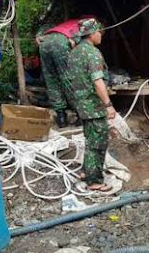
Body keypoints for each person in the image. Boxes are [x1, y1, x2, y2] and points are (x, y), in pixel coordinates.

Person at [65, 18, 116, 191]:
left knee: (90, 138)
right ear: (92, 34)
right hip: (93, 106)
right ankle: (95, 181)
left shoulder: (75, 52)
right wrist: (108, 104)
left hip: (80, 103)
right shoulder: (92, 53)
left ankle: (86, 171)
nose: (100, 35)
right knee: (98, 142)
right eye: (98, 32)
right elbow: (98, 81)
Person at [37, 19, 82, 127]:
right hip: (61, 42)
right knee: (68, 78)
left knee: (51, 79)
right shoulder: (83, 24)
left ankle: (61, 117)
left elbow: (38, 39)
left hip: (45, 43)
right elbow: (77, 42)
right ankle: (80, 114)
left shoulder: (63, 24)